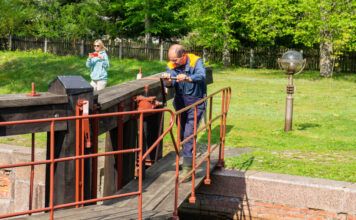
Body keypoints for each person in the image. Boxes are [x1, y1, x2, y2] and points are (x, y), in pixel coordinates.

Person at [162, 44, 207, 180]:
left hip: (196, 101)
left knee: (189, 133)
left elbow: (201, 75)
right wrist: (168, 82)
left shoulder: (195, 61)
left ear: (183, 56)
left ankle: (187, 169)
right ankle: (187, 159)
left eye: (175, 60)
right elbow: (169, 84)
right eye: (171, 59)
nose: (172, 62)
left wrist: (187, 78)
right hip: (180, 101)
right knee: (182, 133)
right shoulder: (171, 65)